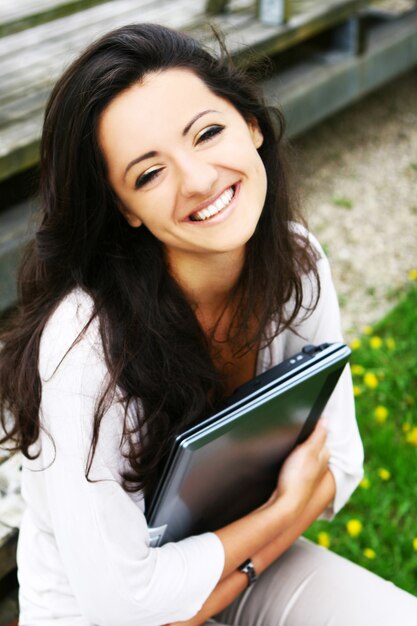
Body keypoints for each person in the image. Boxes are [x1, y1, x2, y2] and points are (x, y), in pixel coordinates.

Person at [0, 23, 415, 626]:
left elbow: (341, 463)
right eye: (149, 174)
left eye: (208, 133)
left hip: (235, 562)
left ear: (250, 124)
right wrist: (282, 511)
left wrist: (225, 585)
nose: (197, 180)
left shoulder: (296, 263)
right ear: (125, 209)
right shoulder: (84, 344)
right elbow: (122, 604)